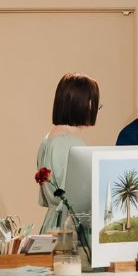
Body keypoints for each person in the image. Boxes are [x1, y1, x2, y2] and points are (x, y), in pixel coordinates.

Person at [36, 73, 100, 233]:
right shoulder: (72, 145)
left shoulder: (47, 140)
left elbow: (46, 198)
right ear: (87, 104)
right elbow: (78, 200)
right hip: (68, 229)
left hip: (50, 224)